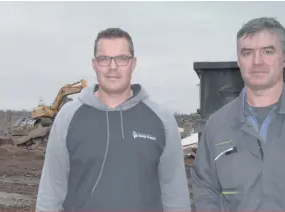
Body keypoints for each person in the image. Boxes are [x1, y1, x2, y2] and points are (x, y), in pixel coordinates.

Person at [35, 27, 191, 212]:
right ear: (94, 64)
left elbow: (175, 197)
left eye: (122, 58)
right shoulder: (68, 117)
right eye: (104, 59)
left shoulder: (161, 120)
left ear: (133, 63)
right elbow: (51, 193)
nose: (113, 67)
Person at [192, 17, 285, 211]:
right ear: (238, 60)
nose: (257, 61)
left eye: (268, 51)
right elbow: (206, 191)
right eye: (247, 52)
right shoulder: (217, 127)